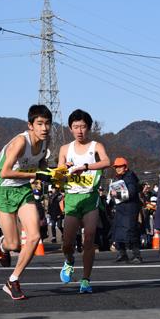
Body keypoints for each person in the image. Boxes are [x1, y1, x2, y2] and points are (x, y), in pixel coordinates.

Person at [0, 104, 58, 300]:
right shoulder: (21, 142)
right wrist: (36, 174)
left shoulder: (45, 143)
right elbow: (5, 172)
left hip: (23, 190)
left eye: (47, 124)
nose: (44, 128)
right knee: (14, 245)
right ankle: (3, 247)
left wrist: (54, 172)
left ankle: (13, 280)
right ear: (30, 125)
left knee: (34, 236)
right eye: (39, 124)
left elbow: (41, 164)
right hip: (4, 189)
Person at [58, 109, 111, 294]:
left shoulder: (96, 146)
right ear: (70, 128)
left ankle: (86, 280)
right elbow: (59, 174)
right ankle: (69, 260)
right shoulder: (65, 149)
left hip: (90, 197)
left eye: (83, 126)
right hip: (72, 198)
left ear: (88, 127)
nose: (79, 130)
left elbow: (106, 162)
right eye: (75, 127)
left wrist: (86, 167)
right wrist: (66, 168)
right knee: (67, 242)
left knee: (89, 239)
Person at [110, 157, 142, 264]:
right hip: (121, 208)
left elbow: (132, 193)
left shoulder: (130, 177)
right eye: (116, 167)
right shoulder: (119, 178)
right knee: (117, 230)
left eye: (120, 166)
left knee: (130, 230)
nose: (117, 169)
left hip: (130, 208)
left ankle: (137, 255)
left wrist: (117, 194)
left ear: (125, 167)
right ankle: (122, 254)